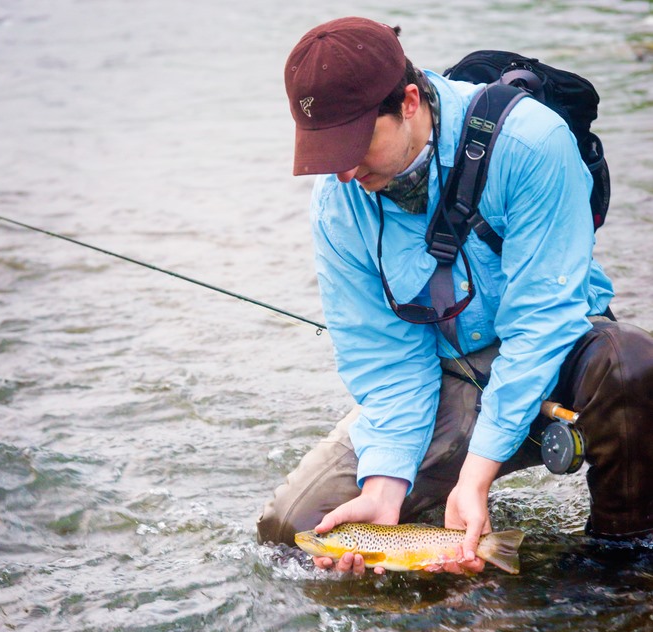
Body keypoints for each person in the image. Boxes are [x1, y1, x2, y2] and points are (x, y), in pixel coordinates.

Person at [257, 16, 653, 575]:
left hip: (555, 359)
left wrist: (476, 477)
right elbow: (389, 362)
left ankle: (616, 574)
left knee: (631, 363)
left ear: (411, 101)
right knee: (292, 532)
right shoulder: (338, 203)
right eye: (327, 152)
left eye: (354, 144)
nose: (343, 171)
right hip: (449, 376)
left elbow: (541, 324)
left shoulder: (531, 144)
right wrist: (384, 488)